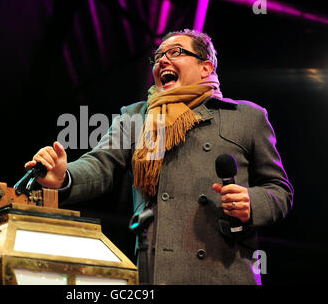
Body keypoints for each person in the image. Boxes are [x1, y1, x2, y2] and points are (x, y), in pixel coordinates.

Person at [24, 29, 293, 285]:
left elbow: (279, 190)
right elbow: (100, 164)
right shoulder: (135, 117)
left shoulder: (247, 117)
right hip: (156, 272)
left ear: (205, 67)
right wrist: (64, 176)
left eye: (175, 52)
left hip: (223, 271)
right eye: (158, 56)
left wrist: (251, 202)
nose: (162, 60)